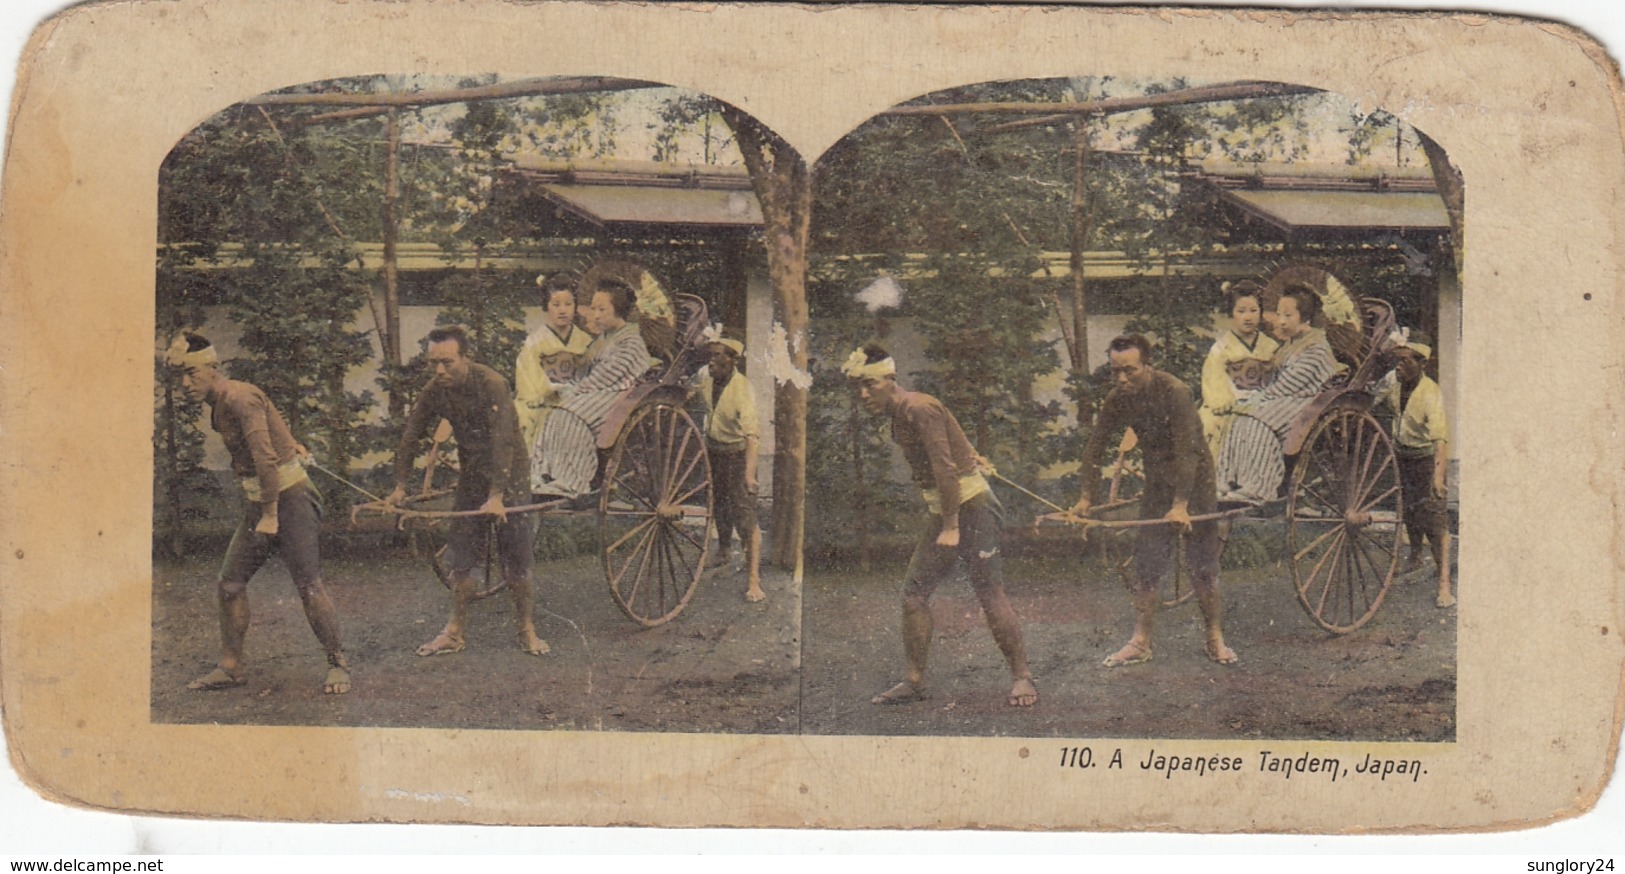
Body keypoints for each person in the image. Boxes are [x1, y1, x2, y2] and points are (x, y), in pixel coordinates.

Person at [843, 343, 1038, 708]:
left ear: (890, 379)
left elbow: (945, 470)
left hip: (971, 508)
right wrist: (970, 452)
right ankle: (914, 681)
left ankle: (1022, 677)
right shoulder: (903, 412)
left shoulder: (918, 407)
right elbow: (950, 437)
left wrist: (950, 526)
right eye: (858, 387)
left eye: (870, 385)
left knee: (989, 591)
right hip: (945, 508)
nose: (863, 394)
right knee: (914, 594)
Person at [165, 333, 350, 694]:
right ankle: (232, 667)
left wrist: (269, 514)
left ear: (212, 367)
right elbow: (268, 428)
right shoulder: (220, 401)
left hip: (288, 499)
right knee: (229, 584)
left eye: (191, 373)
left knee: (309, 585)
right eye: (180, 377)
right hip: (262, 499)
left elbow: (265, 459)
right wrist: (290, 441)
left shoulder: (238, 397)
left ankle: (337, 663)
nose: (186, 384)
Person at [1070, 334, 1237, 667]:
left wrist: (1181, 504)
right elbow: (1095, 448)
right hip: (1159, 484)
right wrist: (1086, 497)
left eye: (1129, 371)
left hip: (1196, 483)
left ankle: (1214, 638)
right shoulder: (1118, 397)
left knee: (1202, 567)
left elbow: (1187, 451)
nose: (1121, 379)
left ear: (1148, 365)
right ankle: (1141, 642)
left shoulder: (1174, 391)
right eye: (1115, 371)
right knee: (1147, 566)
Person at [385, 325, 549, 657]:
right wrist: (400, 486)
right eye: (434, 363)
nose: (440, 370)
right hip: (473, 476)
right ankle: (455, 632)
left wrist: (499, 495)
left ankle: (526, 629)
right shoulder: (436, 389)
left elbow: (503, 439)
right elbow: (412, 434)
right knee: (462, 559)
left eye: (447, 362)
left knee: (516, 559)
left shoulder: (491, 384)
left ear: (465, 357)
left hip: (510, 476)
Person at [530, 277, 652, 501]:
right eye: (594, 308)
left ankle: (572, 482)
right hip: (598, 390)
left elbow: (608, 376)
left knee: (572, 414)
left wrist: (575, 390)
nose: (595, 314)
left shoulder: (631, 341)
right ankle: (545, 475)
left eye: (601, 309)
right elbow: (585, 371)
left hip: (619, 394)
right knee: (556, 411)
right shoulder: (603, 339)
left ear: (618, 310)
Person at [1216, 285, 1339, 505]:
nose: (1281, 321)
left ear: (1305, 317)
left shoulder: (1315, 347)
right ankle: (1227, 482)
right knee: (1240, 416)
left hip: (1309, 403)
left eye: (1288, 315)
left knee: (1258, 419)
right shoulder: (1291, 344)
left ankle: (1259, 489)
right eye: (1280, 314)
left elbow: (1289, 384)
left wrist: (1259, 399)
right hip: (1286, 399)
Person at [1378, 330, 1454, 607]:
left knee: (1435, 521)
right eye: (1398, 360)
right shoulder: (1394, 385)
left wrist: (1436, 477)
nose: (1401, 365)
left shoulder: (1430, 393)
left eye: (1408, 361)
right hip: (1402, 457)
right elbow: (1373, 399)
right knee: (1408, 512)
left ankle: (1444, 584)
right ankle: (1413, 559)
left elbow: (1440, 440)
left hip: (1426, 460)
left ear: (1423, 364)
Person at [696, 327, 764, 602]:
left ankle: (754, 581)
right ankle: (724, 550)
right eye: (709, 356)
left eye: (717, 357)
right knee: (718, 506)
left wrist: (749, 475)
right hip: (714, 450)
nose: (711, 362)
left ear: (732, 360)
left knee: (744, 515)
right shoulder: (705, 377)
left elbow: (752, 436)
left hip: (737, 456)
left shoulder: (742, 389)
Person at [1198, 281, 1280, 463]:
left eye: (1253, 311)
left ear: (1261, 312)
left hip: (1261, 404)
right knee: (1212, 426)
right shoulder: (1221, 348)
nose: (1247, 317)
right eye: (1240, 311)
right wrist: (1224, 402)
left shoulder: (1271, 346)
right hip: (1229, 404)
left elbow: (1277, 379)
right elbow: (1213, 380)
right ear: (1232, 314)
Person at [514, 272, 594, 451]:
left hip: (576, 403)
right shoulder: (535, 342)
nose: (562, 310)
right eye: (556, 304)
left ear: (575, 307)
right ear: (546, 306)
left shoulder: (585, 341)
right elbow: (527, 382)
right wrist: (550, 390)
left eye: (568, 304)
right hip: (542, 403)